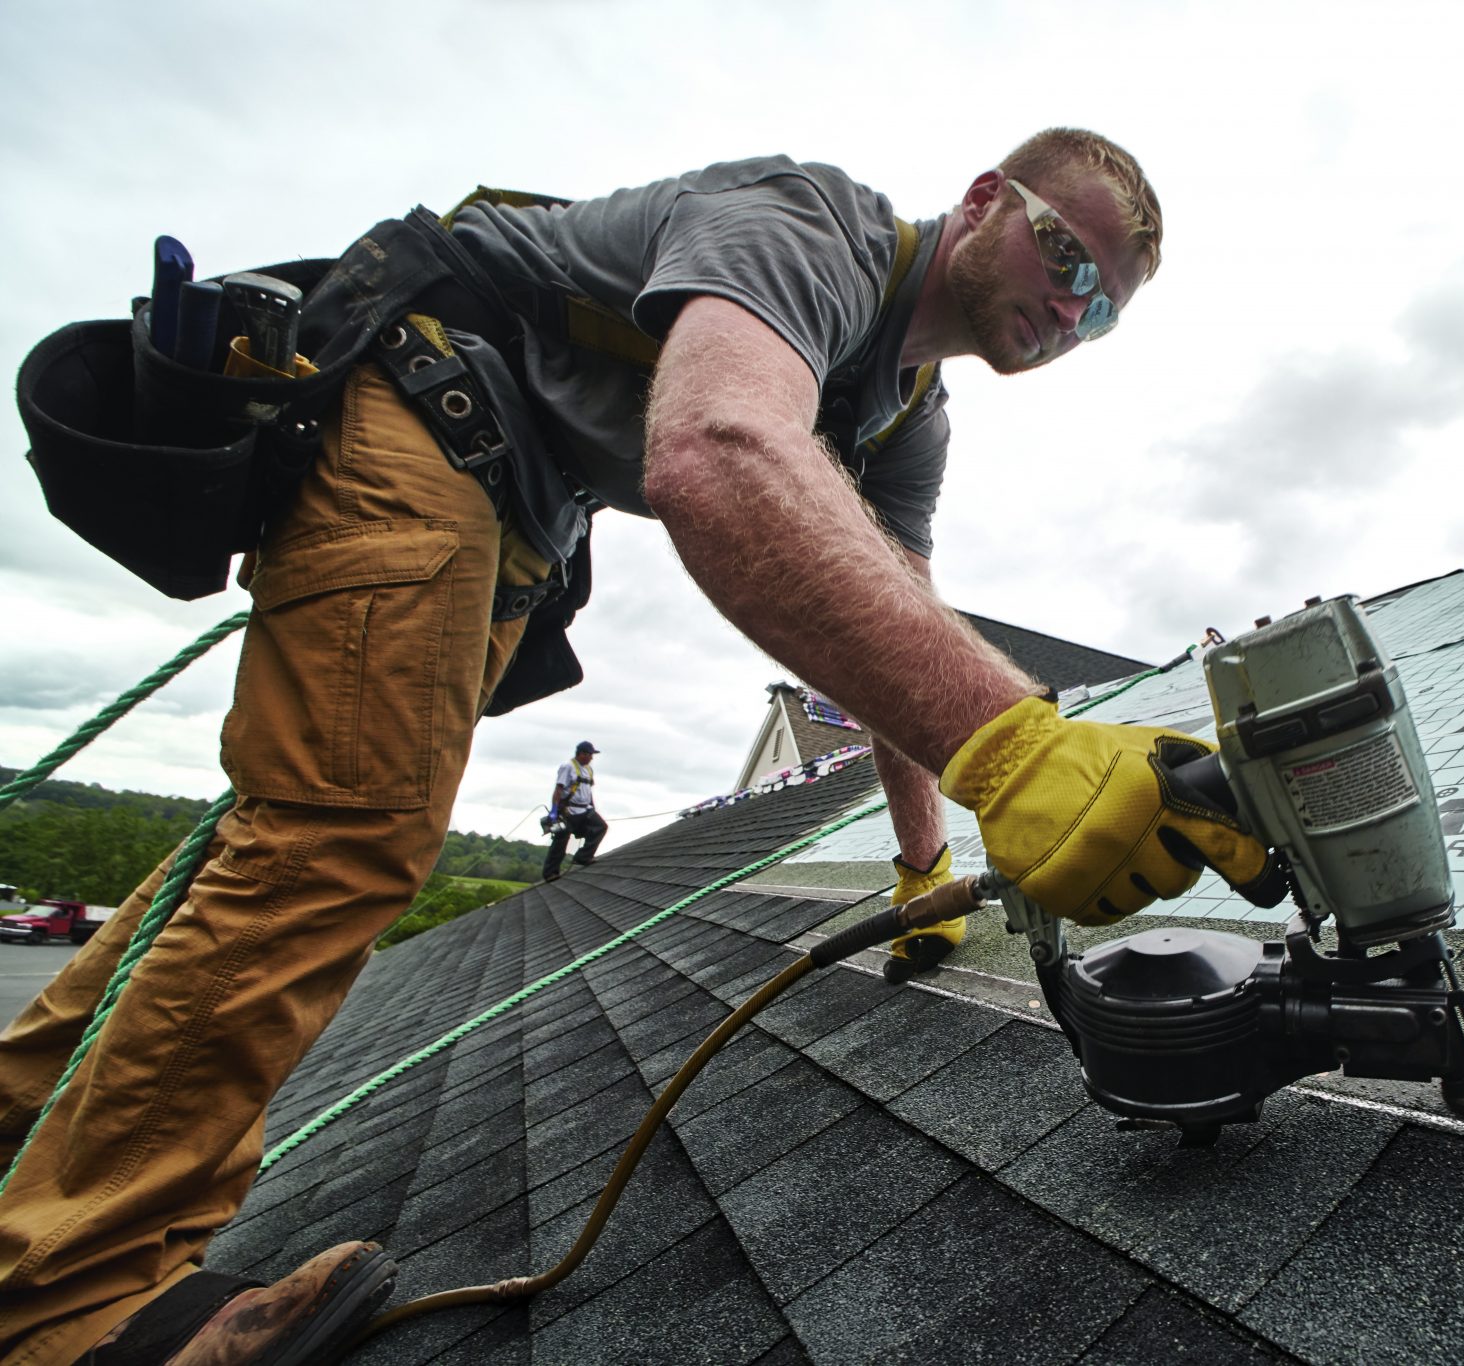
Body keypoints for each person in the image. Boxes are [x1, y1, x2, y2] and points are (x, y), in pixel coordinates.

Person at [0, 129, 1270, 1364]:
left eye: (1101, 306)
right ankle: (75, 1299)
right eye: (1065, 255)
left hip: (511, 506)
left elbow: (899, 635)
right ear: (986, 198)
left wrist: (920, 868)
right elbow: (717, 450)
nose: (1072, 304)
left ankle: (25, 1126)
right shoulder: (806, 221)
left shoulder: (907, 423)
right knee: (334, 837)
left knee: (285, 834)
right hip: (424, 409)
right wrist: (1017, 753)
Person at [541, 741, 607, 880]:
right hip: (568, 810)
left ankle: (583, 857)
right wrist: (554, 811)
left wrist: (593, 807)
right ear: (582, 753)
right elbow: (558, 790)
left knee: (600, 827)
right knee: (561, 839)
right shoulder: (568, 767)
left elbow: (588, 790)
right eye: (589, 755)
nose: (591, 758)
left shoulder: (589, 769)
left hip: (585, 809)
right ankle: (551, 873)